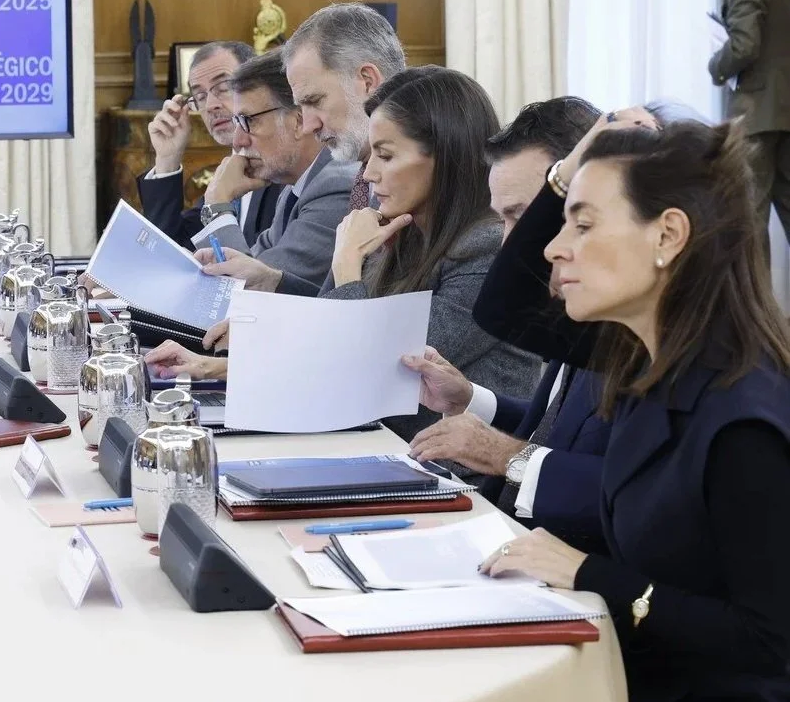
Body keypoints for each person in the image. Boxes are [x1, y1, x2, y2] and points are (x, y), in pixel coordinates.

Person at [478, 116, 790, 702]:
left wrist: (587, 573)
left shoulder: (744, 419)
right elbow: (505, 304)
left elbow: (768, 640)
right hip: (634, 686)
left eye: (584, 225)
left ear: (668, 235)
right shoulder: (641, 357)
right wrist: (566, 175)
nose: (554, 248)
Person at [147, 67, 541, 438]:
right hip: (377, 444)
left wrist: (348, 265)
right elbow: (329, 335)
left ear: (445, 157)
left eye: (386, 156)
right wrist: (219, 366)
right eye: (371, 157)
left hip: (455, 471)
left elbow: (371, 367)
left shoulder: (486, 251)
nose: (369, 174)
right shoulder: (407, 230)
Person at [404, 96, 610, 549]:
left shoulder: (630, 322)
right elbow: (557, 430)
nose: (509, 243)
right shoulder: (579, 304)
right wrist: (470, 400)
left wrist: (506, 455)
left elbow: (637, 490)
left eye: (524, 215)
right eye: (503, 219)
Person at [189, 2, 407, 296]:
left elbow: (242, 298)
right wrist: (268, 280)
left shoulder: (340, 184)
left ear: (367, 82)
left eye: (314, 101)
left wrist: (217, 205)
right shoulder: (325, 185)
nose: (309, 124)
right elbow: (315, 295)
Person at [189, 49, 357, 291]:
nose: (238, 141)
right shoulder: (294, 189)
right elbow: (256, 266)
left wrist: (217, 204)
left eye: (248, 121)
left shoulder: (336, 187)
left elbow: (246, 293)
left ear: (299, 121)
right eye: (236, 122)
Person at [136, 41, 283, 250]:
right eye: (201, 96)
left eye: (224, 88)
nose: (211, 105)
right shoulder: (229, 169)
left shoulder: (286, 167)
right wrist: (167, 159)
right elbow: (168, 249)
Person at [708, 0, 790, 251]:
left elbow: (744, 45)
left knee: (750, 217)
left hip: (757, 114)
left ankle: (756, 292)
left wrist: (716, 66)